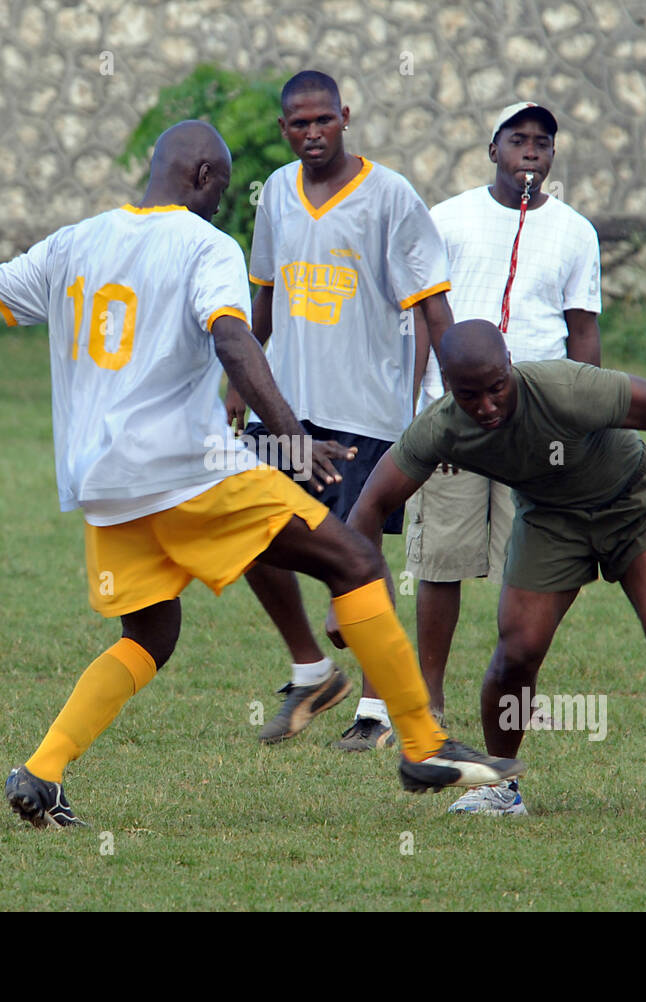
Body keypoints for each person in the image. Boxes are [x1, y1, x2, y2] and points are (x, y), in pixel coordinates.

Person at [0, 121, 523, 828]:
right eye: (223, 188)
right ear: (202, 176)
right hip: (185, 467)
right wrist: (294, 440)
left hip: (103, 484)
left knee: (152, 631)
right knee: (355, 559)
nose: (222, 203)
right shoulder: (205, 245)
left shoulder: (74, 242)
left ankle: (40, 773)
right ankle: (422, 747)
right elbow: (234, 337)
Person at [339, 319, 646, 816]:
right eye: (470, 395)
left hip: (634, 500)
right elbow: (369, 507)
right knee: (517, 651)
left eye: (496, 388)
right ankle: (499, 786)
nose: (487, 406)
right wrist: (351, 602)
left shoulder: (566, 388)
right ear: (447, 384)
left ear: (510, 366)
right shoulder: (440, 427)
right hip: (552, 520)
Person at [225, 70, 455, 751]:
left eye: (323, 119)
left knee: (359, 556)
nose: (312, 132)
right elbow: (262, 299)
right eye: (299, 124)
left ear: (345, 116)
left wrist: (452, 398)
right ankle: (311, 670)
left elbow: (431, 306)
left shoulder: (391, 196)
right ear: (284, 130)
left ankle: (380, 711)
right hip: (285, 410)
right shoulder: (276, 198)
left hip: (367, 413)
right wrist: (240, 381)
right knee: (244, 529)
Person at [403, 101, 602, 812]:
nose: (530, 151)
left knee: (532, 571)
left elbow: (583, 332)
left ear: (552, 157)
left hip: (539, 427)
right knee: (441, 562)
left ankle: (511, 712)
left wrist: (583, 419)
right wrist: (419, 402)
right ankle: (425, 708)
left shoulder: (575, 231)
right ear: (492, 148)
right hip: (456, 417)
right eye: (517, 139)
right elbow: (426, 318)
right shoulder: (448, 218)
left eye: (542, 142)